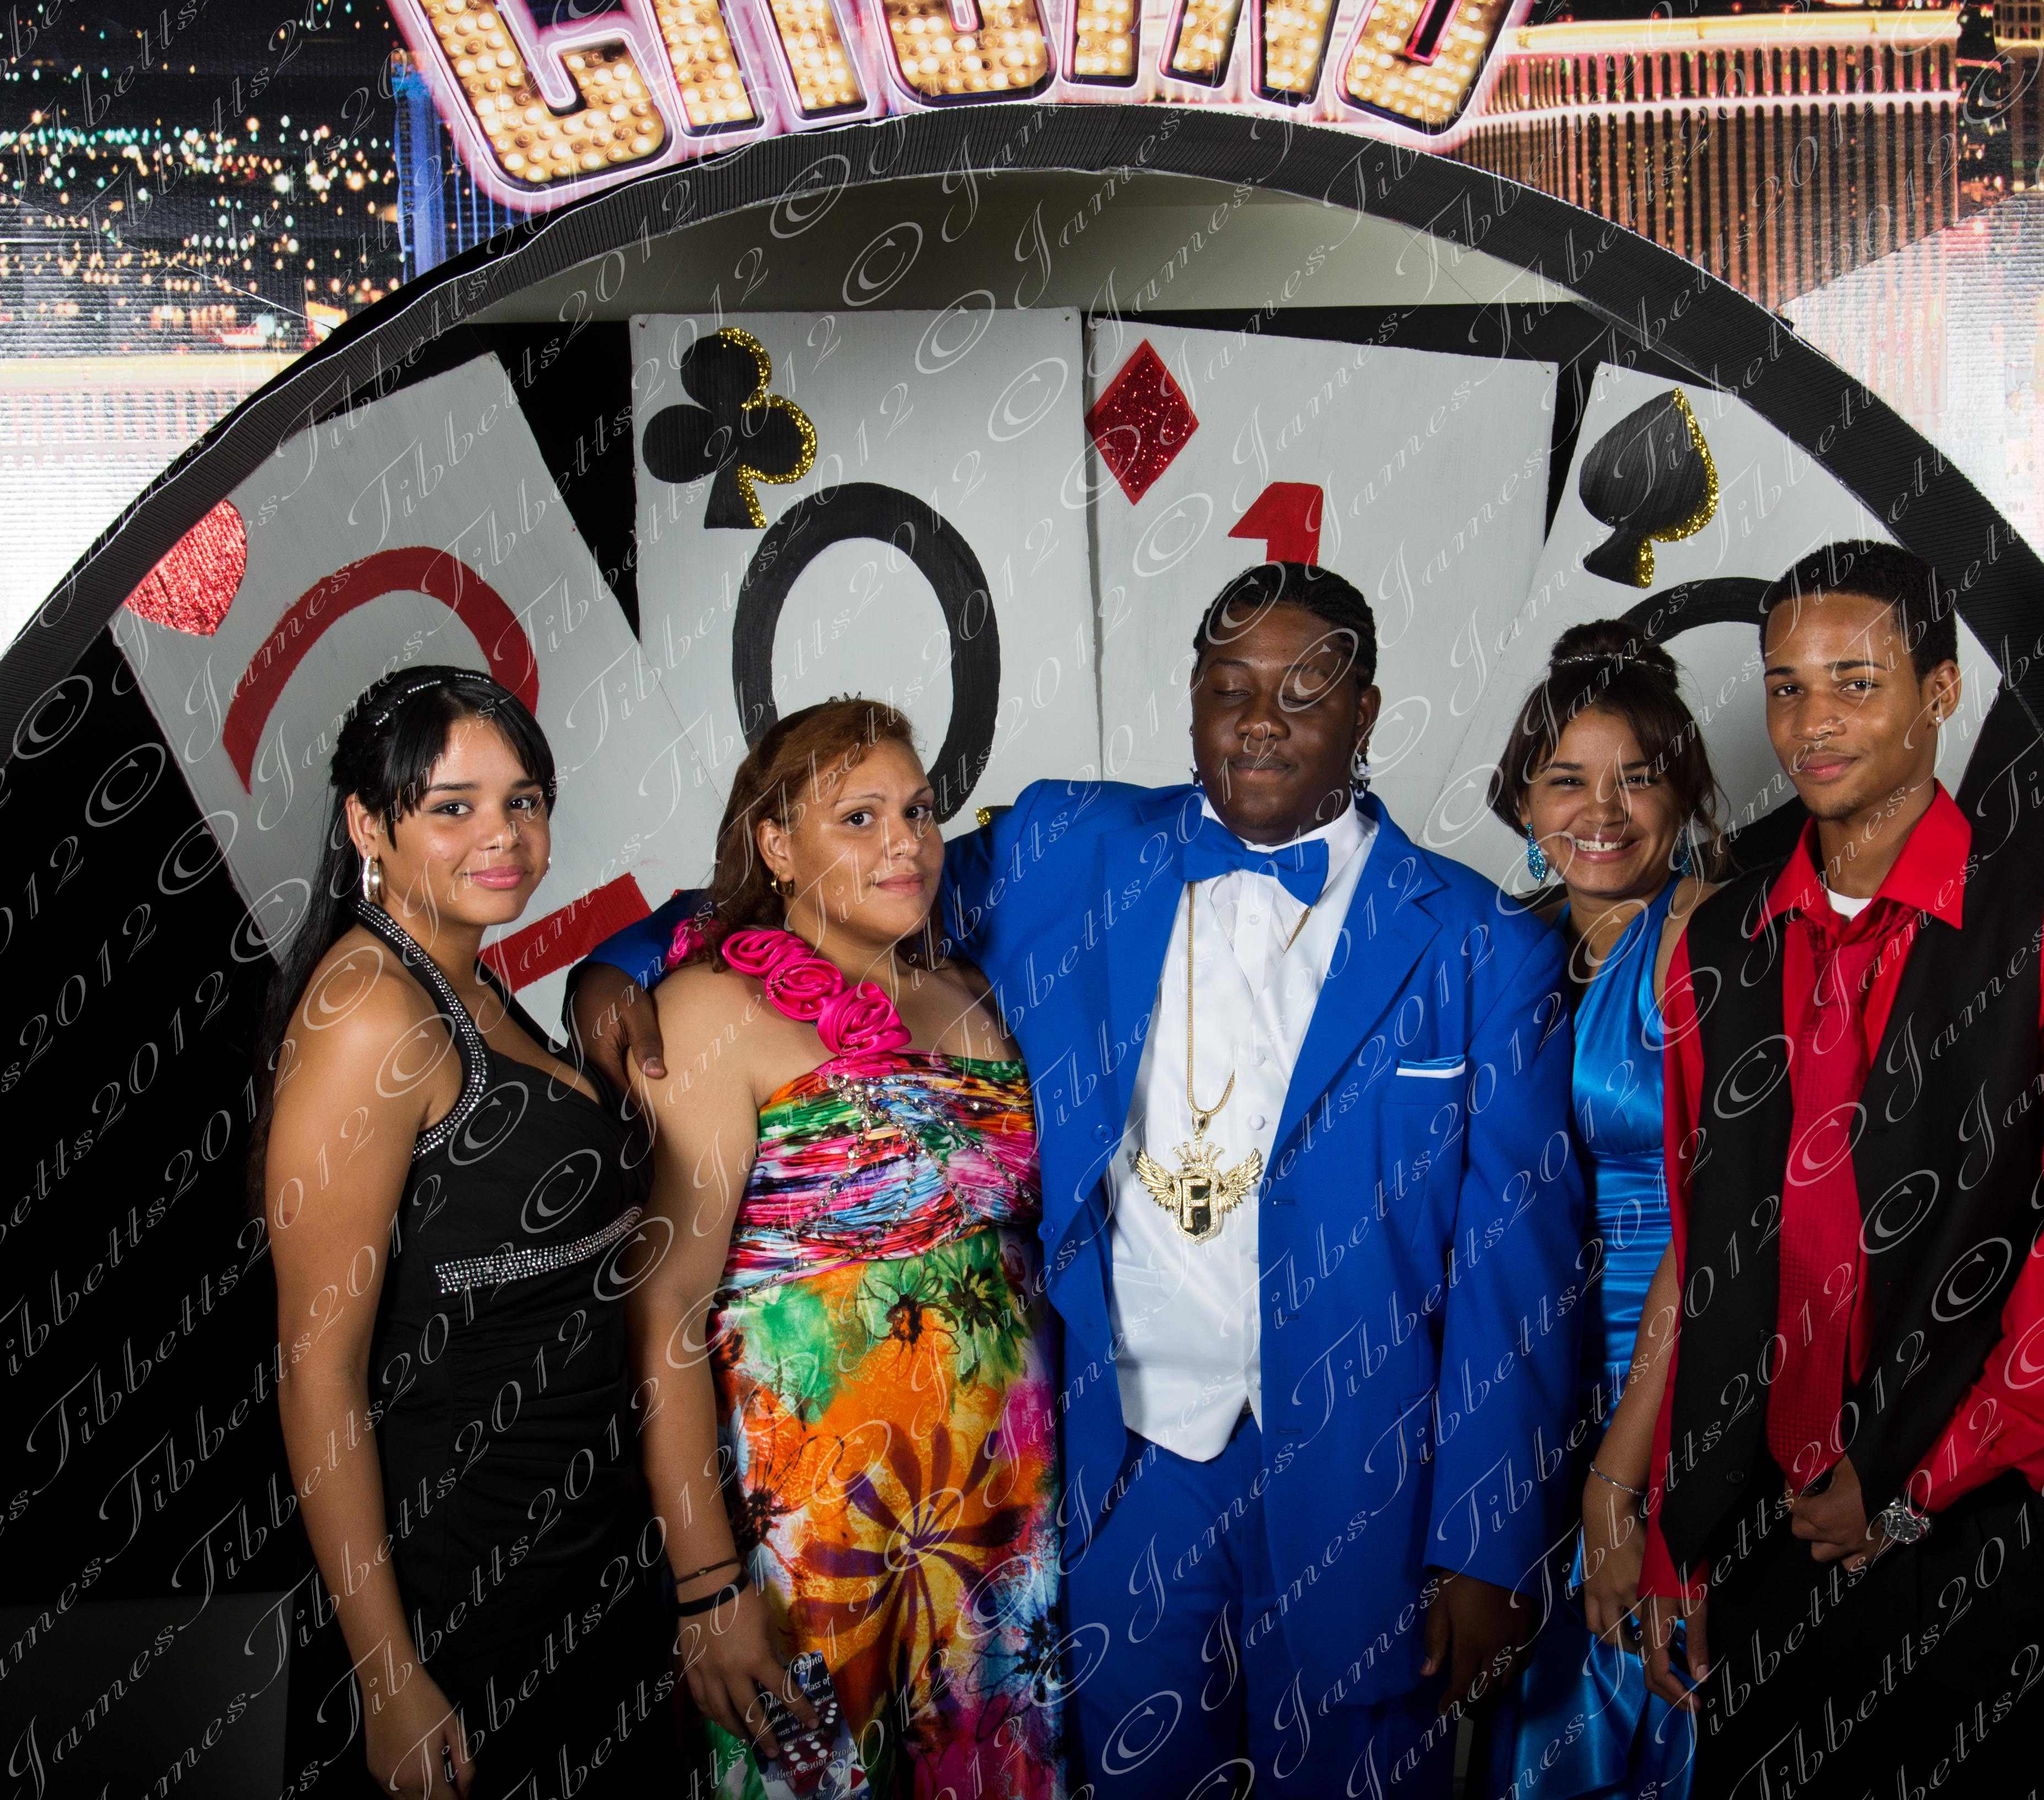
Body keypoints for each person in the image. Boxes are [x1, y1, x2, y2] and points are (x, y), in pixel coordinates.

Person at [571, 562, 1582, 1798]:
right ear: (1191, 700)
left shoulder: (1486, 944)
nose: (1260, 721)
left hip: (1366, 1481)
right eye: (1229, 688)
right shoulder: (1069, 847)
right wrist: (619, 966)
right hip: (1119, 1472)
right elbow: (835, 884)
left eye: (1304, 691)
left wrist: (1489, 1542)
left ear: (1365, 712)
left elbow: (1516, 1270)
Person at [1610, 543, 2044, 1797]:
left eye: (1855, 684)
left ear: (1941, 691)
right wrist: (1677, 1531)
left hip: (1966, 1529)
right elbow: (1708, 1247)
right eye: (1786, 688)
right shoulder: (1720, 945)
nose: (1812, 722)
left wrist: (1918, 1479)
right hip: (1758, 1544)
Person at [620, 698, 1062, 1798]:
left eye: (917, 811)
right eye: (859, 818)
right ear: (776, 845)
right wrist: (706, 1584)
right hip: (819, 1539)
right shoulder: (709, 1010)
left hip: (1006, 1515)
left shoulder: (972, 995)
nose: (905, 842)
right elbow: (665, 1307)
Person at [260, 665, 680, 1800]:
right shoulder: (369, 1013)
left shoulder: (470, 976)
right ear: (368, 826)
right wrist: (386, 1672)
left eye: (523, 801)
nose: (504, 835)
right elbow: (316, 1373)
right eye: (454, 806)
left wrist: (603, 984)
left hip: (582, 1550)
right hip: (462, 1588)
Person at [1474, 622, 1717, 1800]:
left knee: (1649, 1695)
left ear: (1686, 794)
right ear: (1524, 801)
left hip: (1667, 1380)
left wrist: (1622, 1477)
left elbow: (1718, 1221)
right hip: (1527, 1389)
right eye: (1568, 779)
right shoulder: (1500, 948)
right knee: (1538, 1720)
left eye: (1638, 777)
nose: (1603, 811)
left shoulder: (1710, 942)